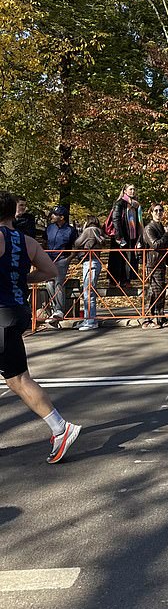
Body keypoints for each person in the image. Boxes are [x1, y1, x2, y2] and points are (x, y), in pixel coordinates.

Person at [0, 191, 81, 462]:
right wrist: (21, 276)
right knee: (17, 379)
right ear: (13, 213)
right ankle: (60, 427)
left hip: (0, 313)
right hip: (17, 311)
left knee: (19, 379)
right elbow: (50, 272)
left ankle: (61, 427)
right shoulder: (27, 242)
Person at [143, 204, 168, 327]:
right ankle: (149, 319)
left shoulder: (159, 227)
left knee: (159, 291)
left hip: (161, 262)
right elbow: (156, 245)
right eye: (156, 211)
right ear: (151, 213)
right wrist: (167, 233)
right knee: (155, 290)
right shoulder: (149, 228)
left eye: (161, 210)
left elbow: (164, 243)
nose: (159, 213)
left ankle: (159, 317)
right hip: (153, 263)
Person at [43, 204, 77, 325]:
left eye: (55, 214)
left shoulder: (71, 230)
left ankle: (59, 310)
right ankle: (54, 308)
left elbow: (75, 246)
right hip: (49, 259)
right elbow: (44, 241)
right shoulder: (49, 228)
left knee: (58, 282)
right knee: (49, 283)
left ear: (62, 217)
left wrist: (69, 258)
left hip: (62, 259)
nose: (52, 216)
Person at [107, 182, 144, 288]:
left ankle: (125, 280)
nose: (132, 191)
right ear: (125, 191)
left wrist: (139, 237)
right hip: (120, 236)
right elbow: (116, 220)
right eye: (130, 189)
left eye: (134, 189)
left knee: (129, 258)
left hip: (131, 236)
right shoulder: (119, 203)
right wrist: (119, 237)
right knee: (117, 259)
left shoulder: (136, 205)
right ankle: (113, 281)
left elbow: (138, 221)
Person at [74, 216, 105, 331]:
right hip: (95, 261)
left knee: (88, 292)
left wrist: (82, 230)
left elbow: (77, 242)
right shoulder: (98, 231)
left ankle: (90, 320)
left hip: (89, 261)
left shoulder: (89, 230)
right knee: (89, 292)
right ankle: (88, 319)